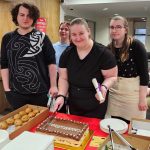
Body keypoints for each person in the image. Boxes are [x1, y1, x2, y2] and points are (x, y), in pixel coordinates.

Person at [53, 18, 117, 119]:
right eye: (74, 34)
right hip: (75, 103)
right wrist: (61, 95)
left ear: (88, 31)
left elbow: (112, 76)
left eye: (81, 33)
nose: (77, 38)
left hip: (96, 103)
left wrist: (104, 87)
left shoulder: (104, 53)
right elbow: (63, 78)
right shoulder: (67, 54)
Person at [0, 2, 58, 110]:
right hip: (16, 93)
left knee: (39, 125)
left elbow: (52, 63)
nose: (25, 18)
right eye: (22, 15)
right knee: (20, 125)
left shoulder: (42, 38)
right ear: (16, 16)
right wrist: (7, 89)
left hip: (41, 93)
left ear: (34, 18)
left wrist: (54, 85)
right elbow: (4, 64)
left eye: (29, 15)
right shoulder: (7, 38)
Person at [106, 16, 149, 123]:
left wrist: (142, 99)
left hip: (133, 96)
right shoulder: (108, 48)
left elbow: (144, 75)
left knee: (134, 127)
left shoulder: (136, 46)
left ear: (126, 29)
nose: (114, 30)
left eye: (118, 27)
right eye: (112, 27)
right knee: (116, 125)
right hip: (115, 94)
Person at [53, 22, 70, 113]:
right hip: (57, 79)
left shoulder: (73, 47)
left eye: (66, 29)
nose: (63, 31)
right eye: (61, 29)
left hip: (70, 79)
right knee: (60, 106)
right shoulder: (53, 47)